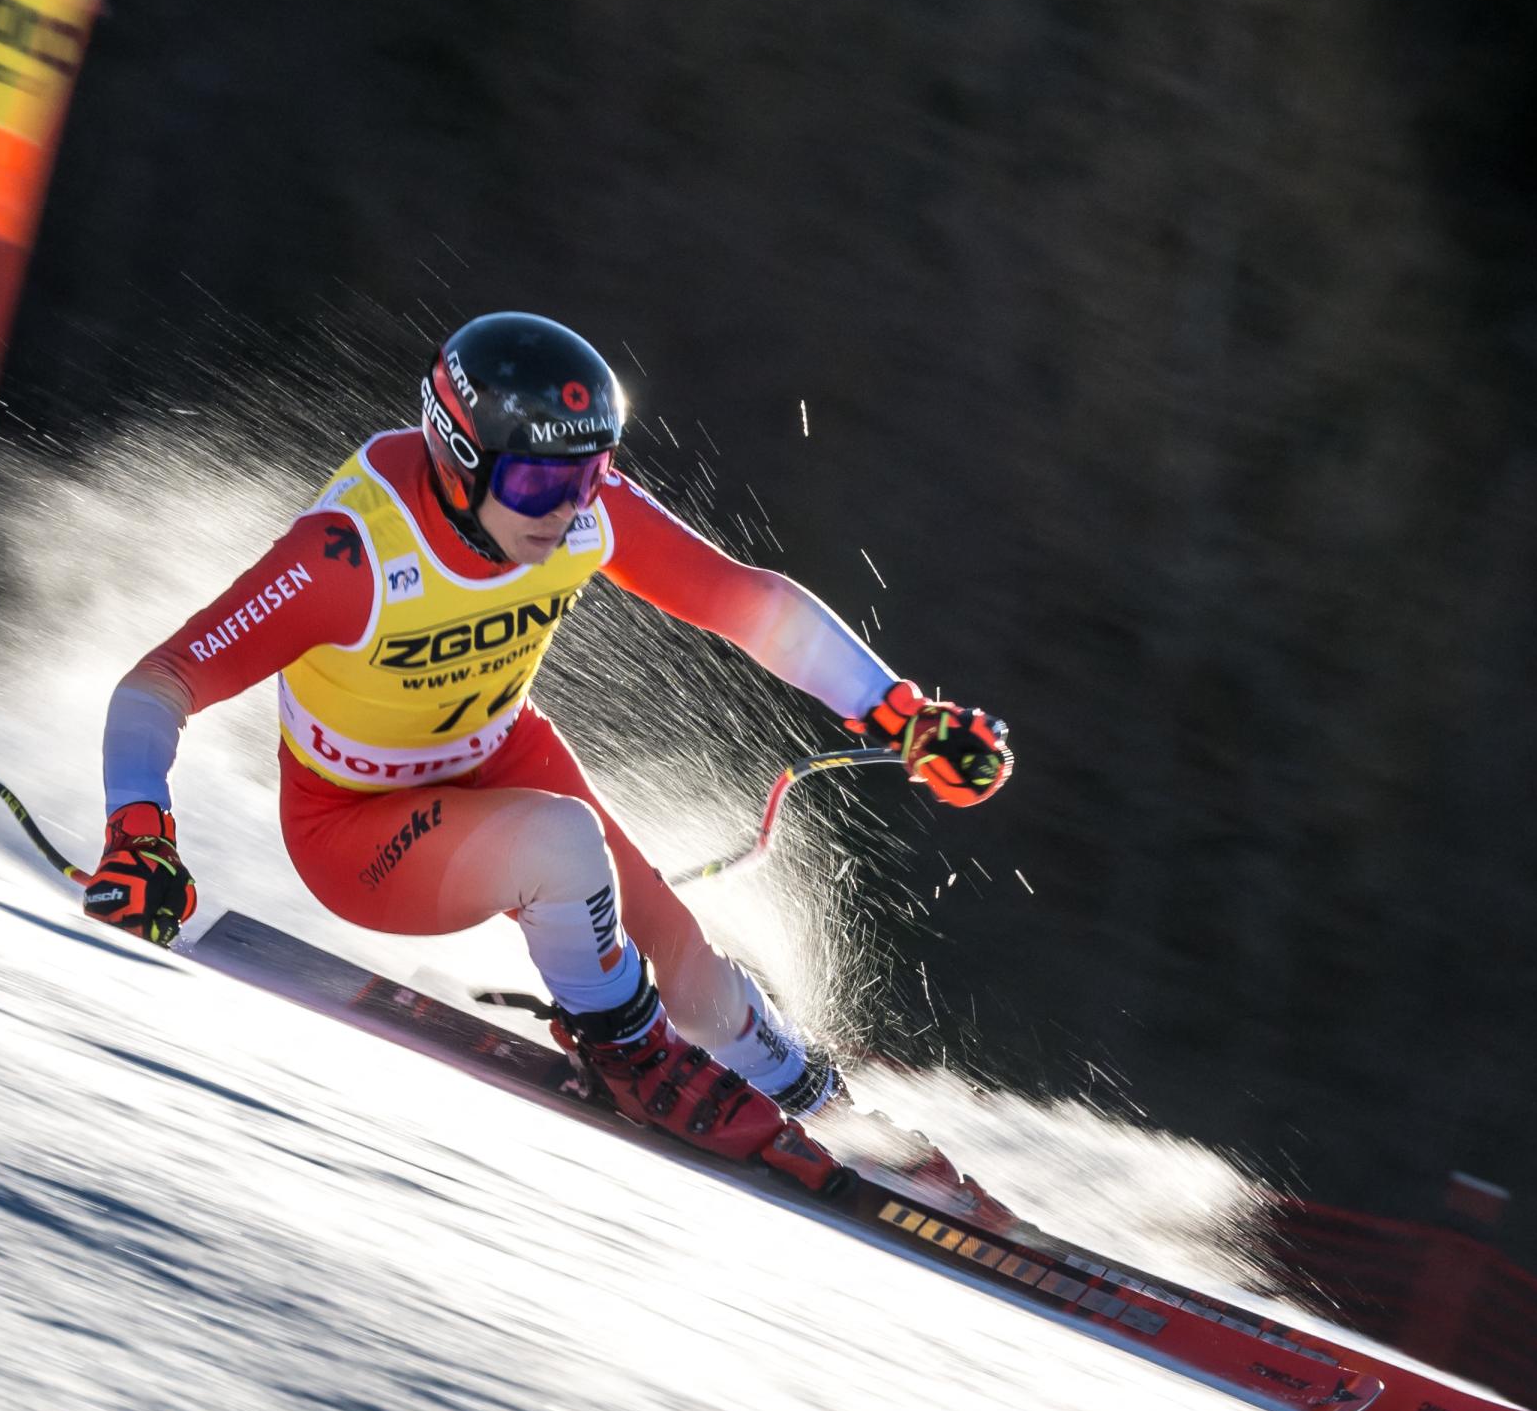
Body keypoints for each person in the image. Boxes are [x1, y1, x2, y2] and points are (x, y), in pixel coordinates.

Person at [90, 312, 1010, 1187]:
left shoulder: (582, 506)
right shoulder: (352, 556)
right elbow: (162, 681)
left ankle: (824, 1109)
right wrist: (139, 833)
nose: (564, 512)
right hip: (358, 828)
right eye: (536, 485)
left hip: (503, 758)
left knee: (703, 986)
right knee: (565, 847)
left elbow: (747, 602)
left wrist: (901, 713)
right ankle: (627, 1056)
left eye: (587, 478)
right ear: (458, 458)